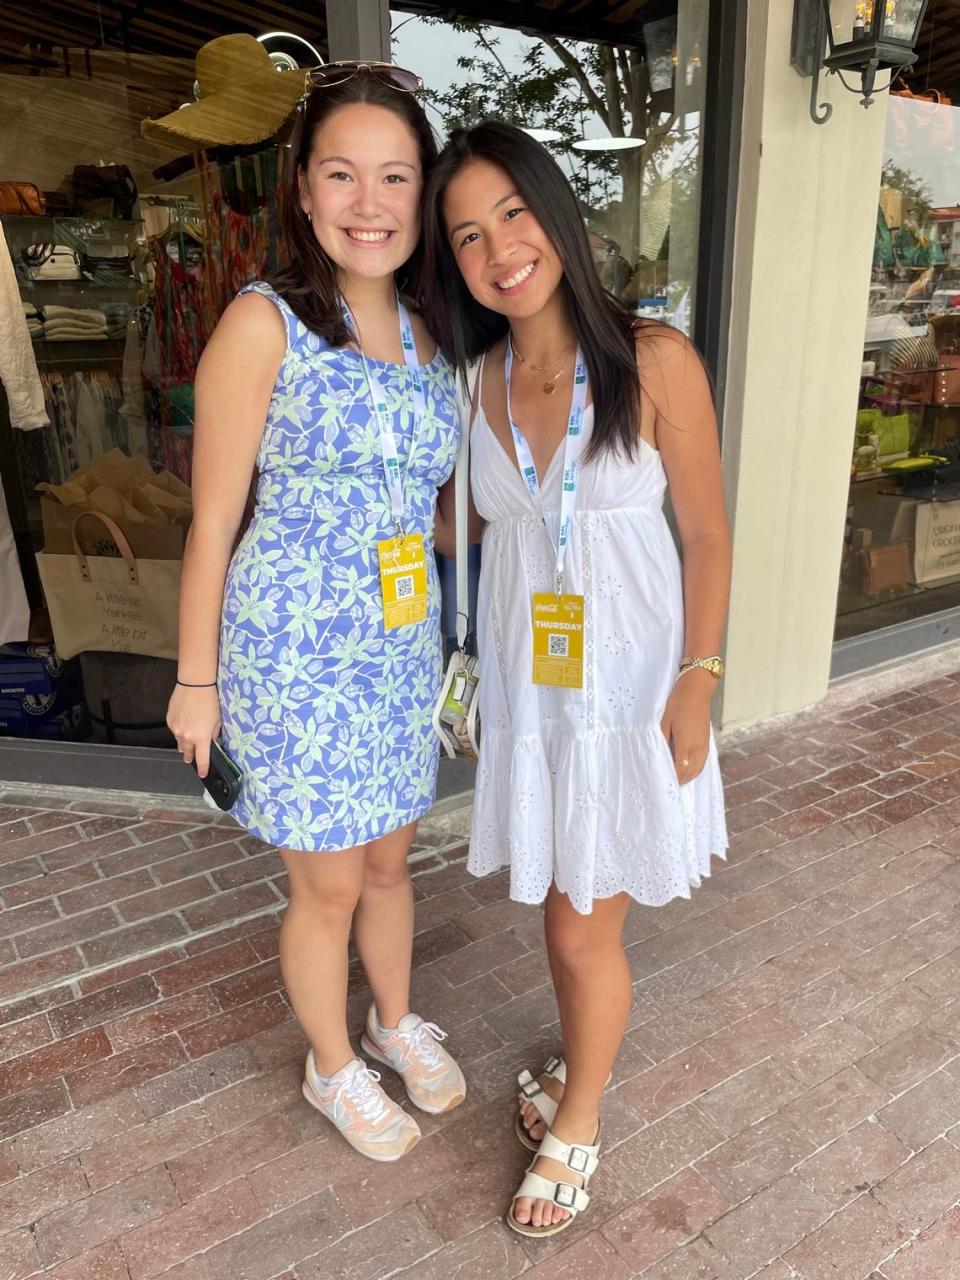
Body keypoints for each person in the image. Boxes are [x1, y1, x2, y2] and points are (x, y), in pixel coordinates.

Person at [421, 121, 730, 1236]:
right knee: (569, 914)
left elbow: (705, 531)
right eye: (466, 234)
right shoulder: (479, 383)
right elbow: (464, 531)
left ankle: (580, 1115)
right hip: (535, 700)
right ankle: (576, 1059)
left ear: (557, 215)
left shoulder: (653, 359)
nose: (498, 247)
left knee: (578, 930)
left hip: (630, 697)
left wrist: (698, 675)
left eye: (512, 213)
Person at [166, 62, 466, 1163]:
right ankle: (331, 1061)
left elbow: (428, 512)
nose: (369, 201)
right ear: (302, 189)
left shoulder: (439, 336)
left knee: (392, 859)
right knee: (328, 879)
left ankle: (395, 1019)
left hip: (398, 648)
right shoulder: (266, 325)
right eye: (342, 173)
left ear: (424, 194)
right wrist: (196, 680)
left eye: (394, 176)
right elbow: (210, 522)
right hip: (292, 653)